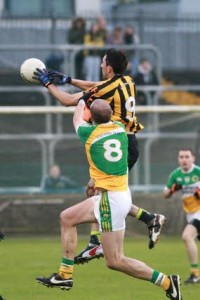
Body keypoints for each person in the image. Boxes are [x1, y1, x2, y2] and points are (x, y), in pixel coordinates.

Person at [36, 99, 182, 300]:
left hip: (110, 201)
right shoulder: (120, 128)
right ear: (111, 114)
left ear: (92, 118)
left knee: (115, 261)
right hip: (118, 194)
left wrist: (81, 100)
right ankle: (65, 275)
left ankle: (167, 282)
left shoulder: (89, 133)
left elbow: (77, 118)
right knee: (67, 218)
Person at [33, 48, 165, 263]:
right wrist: (68, 78)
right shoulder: (128, 81)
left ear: (109, 68)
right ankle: (148, 219)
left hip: (119, 145)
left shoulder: (107, 87)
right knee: (97, 192)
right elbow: (97, 87)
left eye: (103, 63)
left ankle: (98, 243)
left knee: (99, 193)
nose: (101, 65)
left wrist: (48, 84)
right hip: (126, 143)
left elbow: (68, 101)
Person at [163, 148, 200, 284]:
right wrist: (173, 189)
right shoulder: (176, 174)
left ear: (193, 159)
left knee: (186, 236)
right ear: (178, 159)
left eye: (187, 156)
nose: (184, 159)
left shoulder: (198, 172)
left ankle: (195, 274)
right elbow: (165, 194)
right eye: (181, 157)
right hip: (190, 213)